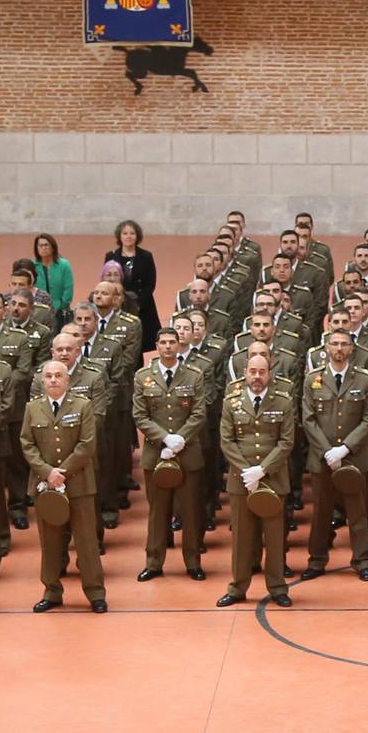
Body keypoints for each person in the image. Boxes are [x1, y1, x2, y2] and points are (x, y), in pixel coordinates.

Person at [21, 361, 107, 613]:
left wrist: (62, 473)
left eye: (58, 375)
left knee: (86, 542)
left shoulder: (82, 405)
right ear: (42, 381)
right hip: (45, 484)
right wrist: (47, 472)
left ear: (67, 380)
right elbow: (27, 443)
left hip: (79, 484)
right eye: (48, 376)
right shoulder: (32, 408)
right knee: (50, 543)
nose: (53, 380)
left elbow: (87, 444)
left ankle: (95, 593)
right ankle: (51, 592)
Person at [217, 353, 296, 608]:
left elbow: (286, 441)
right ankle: (238, 587)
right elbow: (227, 441)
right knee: (241, 537)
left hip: (273, 479)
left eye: (262, 372)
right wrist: (246, 471)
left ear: (270, 374)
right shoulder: (231, 402)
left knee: (275, 538)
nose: (257, 377)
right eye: (252, 371)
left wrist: (262, 470)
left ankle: (277, 587)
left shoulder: (283, 401)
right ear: (245, 373)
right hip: (242, 482)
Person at [302, 330, 368, 581]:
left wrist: (345, 449)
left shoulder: (365, 380)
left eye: (344, 344)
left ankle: (362, 560)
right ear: (326, 348)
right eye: (334, 344)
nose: (339, 348)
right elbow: (308, 419)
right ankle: (317, 560)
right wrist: (327, 451)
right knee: (321, 513)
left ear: (351, 348)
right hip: (322, 458)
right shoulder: (312, 379)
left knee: (357, 512)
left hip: (353, 457)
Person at [134, 328, 209, 581]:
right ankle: (154, 562)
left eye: (172, 342)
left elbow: (199, 413)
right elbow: (140, 415)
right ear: (156, 345)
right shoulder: (143, 377)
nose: (167, 346)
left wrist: (179, 440)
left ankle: (193, 562)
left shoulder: (194, 375)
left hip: (187, 452)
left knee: (190, 511)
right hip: (156, 453)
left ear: (179, 345)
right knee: (158, 511)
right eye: (163, 342)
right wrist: (165, 439)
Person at [107, 219, 160, 341]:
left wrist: (138, 304)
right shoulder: (111, 256)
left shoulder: (146, 256)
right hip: (118, 304)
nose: (128, 236)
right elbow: (107, 280)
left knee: (142, 340)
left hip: (142, 305)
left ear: (137, 236)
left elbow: (150, 283)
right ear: (119, 236)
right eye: (125, 233)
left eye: (132, 233)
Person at [31, 233, 75, 313]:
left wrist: (59, 306)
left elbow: (68, 290)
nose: (43, 248)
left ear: (53, 247)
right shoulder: (33, 266)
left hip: (61, 311)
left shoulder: (64, 265)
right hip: (38, 311)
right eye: (40, 245)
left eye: (46, 245)